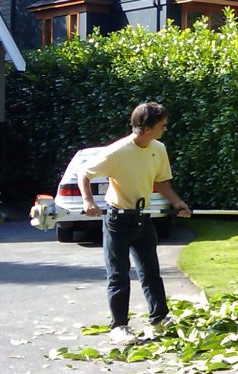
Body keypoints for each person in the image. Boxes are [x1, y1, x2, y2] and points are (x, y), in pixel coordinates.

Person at [78, 101, 191, 345]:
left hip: (143, 218)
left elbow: (160, 181)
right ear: (147, 128)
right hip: (117, 220)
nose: (165, 128)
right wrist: (88, 201)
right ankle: (119, 326)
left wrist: (177, 202)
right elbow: (84, 173)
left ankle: (159, 319)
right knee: (118, 275)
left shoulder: (158, 149)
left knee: (151, 272)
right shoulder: (117, 152)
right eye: (163, 125)